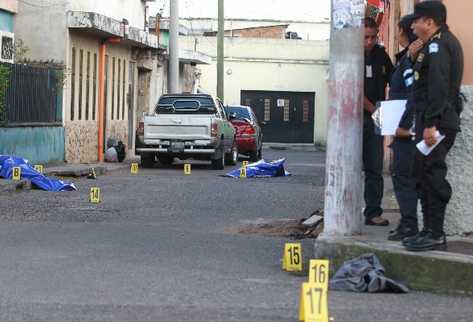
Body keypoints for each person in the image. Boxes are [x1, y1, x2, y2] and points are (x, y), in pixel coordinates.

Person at [402, 1, 464, 251]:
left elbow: (437, 88)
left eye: (417, 20)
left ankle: (435, 234)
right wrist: (413, 57)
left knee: (432, 174)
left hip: (437, 124)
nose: (413, 25)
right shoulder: (432, 45)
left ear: (429, 22)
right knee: (422, 172)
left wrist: (430, 125)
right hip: (433, 122)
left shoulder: (439, 45)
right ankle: (429, 230)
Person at [387, 14, 423, 241]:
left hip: (407, 129)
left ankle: (410, 224)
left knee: (404, 177)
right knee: (403, 177)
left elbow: (413, 93)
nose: (398, 35)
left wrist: (407, 129)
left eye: (400, 30)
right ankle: (407, 221)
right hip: (403, 127)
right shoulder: (406, 58)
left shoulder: (413, 60)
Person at [363, 17, 393, 226]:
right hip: (355, 117)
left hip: (377, 116)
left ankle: (373, 212)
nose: (369, 41)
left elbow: (396, 80)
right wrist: (375, 111)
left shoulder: (381, 55)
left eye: (373, 37)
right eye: (365, 37)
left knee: (375, 167)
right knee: (351, 167)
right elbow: (353, 90)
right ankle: (345, 209)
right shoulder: (350, 56)